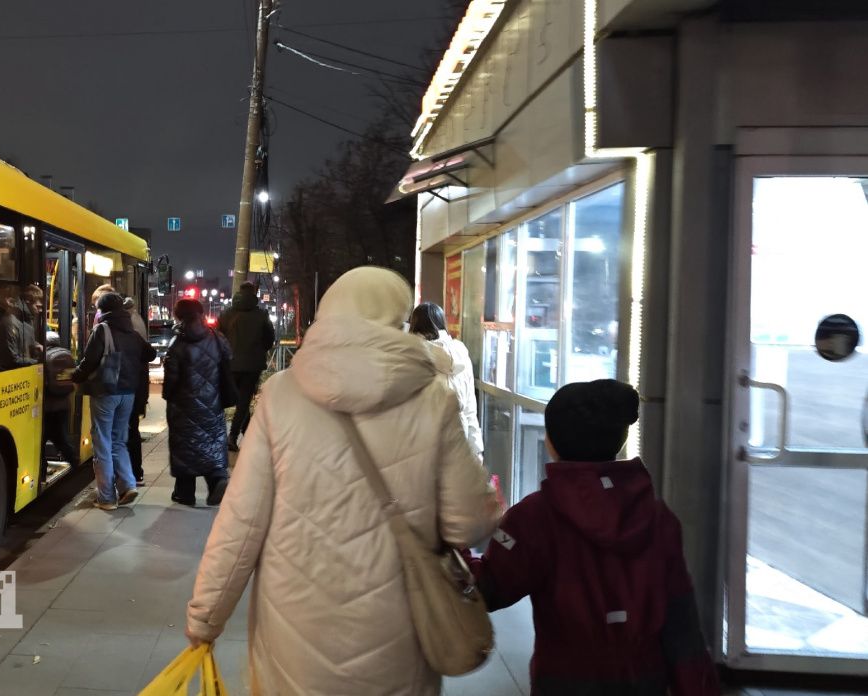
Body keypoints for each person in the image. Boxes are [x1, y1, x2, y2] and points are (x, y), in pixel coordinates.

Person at [185, 267, 500, 695]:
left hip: (295, 630)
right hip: (398, 627)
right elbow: (467, 524)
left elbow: (242, 523)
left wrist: (206, 617)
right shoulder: (433, 399)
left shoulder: (281, 395)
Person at [467, 380, 720, 695]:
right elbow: (682, 624)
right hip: (645, 680)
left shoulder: (534, 517)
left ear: (552, 442)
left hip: (563, 680)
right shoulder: (657, 516)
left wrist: (455, 547)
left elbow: (490, 591)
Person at [71, 292, 156, 510]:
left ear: (103, 310)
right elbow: (150, 354)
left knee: (103, 442)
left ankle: (107, 497)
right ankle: (128, 484)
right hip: (128, 393)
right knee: (119, 441)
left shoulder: (103, 329)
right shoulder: (132, 331)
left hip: (106, 392)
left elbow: (88, 362)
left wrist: (74, 376)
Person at [164, 298, 232, 506]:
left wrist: (168, 395)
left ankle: (184, 492)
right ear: (200, 313)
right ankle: (217, 479)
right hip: (212, 402)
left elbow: (172, 380)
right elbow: (228, 360)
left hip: (184, 405)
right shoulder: (216, 337)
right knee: (211, 441)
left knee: (186, 446)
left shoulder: (177, 343)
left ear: (179, 316)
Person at [410, 302, 484, 455]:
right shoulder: (460, 351)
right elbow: (470, 405)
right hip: (459, 436)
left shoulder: (412, 355)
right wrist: (476, 449)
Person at [217, 281, 274, 451]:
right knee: (243, 401)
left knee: (238, 400)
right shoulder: (261, 315)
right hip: (252, 364)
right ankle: (233, 435)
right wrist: (259, 350)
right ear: (254, 293)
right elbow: (269, 339)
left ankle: (248, 434)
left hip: (230, 364)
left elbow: (219, 337)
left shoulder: (226, 314)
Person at [43, 331, 81, 470]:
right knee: (62, 438)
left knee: (43, 438)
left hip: (48, 406)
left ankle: (42, 468)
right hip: (64, 404)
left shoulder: (44, 357)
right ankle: (74, 461)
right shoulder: (67, 355)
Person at [124, 296, 150, 486]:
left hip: (122, 390)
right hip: (135, 388)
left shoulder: (117, 330)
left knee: (120, 435)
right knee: (132, 431)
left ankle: (126, 477)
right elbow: (150, 354)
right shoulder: (137, 321)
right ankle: (135, 472)